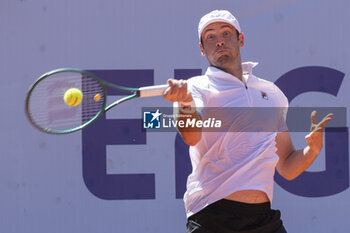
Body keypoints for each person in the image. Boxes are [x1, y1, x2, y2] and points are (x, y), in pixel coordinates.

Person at [163, 9, 333, 233]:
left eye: (226, 33)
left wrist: (311, 151)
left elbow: (287, 166)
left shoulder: (271, 93)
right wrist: (185, 104)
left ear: (240, 39)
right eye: (210, 37)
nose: (219, 41)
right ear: (202, 49)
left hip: (264, 219)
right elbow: (191, 136)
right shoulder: (195, 88)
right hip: (213, 216)